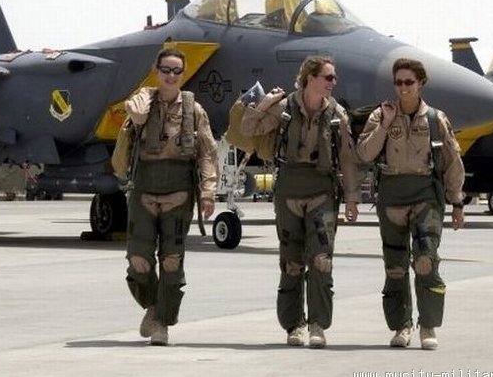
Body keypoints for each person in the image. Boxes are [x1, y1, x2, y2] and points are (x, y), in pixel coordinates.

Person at [240, 55, 361, 348]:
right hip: (289, 191)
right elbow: (247, 128)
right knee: (291, 262)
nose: (333, 82)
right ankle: (294, 326)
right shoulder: (283, 107)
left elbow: (347, 158)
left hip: (322, 190)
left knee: (321, 260)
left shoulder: (337, 114)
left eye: (334, 77)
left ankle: (318, 325)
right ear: (310, 78)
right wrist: (265, 104)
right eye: (328, 77)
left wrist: (352, 198)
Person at [356, 58, 465, 350]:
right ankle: (401, 326)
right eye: (398, 82)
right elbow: (364, 153)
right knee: (395, 267)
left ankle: (427, 326)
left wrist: (457, 202)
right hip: (391, 195)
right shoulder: (381, 115)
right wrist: (385, 124)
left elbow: (453, 163)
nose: (403, 88)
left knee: (426, 260)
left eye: (409, 82)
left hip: (425, 196)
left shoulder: (436, 119)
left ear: (420, 84)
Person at [123, 47, 218, 346]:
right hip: (144, 189)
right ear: (157, 71)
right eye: (166, 70)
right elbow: (135, 114)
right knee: (139, 260)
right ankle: (153, 305)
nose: (171, 76)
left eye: (177, 71)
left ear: (183, 73)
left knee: (171, 261)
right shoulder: (143, 102)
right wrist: (147, 95)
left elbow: (207, 153)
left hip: (178, 191)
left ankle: (162, 322)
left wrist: (208, 191)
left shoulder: (194, 110)